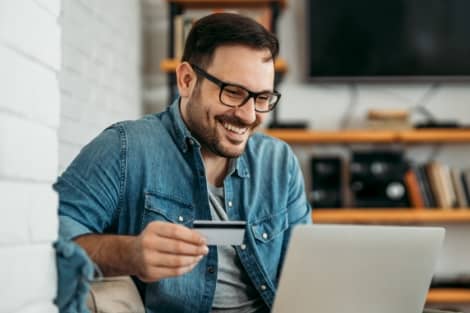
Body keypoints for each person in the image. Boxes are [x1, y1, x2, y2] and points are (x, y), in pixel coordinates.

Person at [55, 13, 311, 313]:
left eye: (262, 98)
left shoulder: (279, 163)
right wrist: (129, 253)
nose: (248, 114)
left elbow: (306, 268)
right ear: (187, 80)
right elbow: (52, 236)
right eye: (233, 93)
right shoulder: (125, 148)